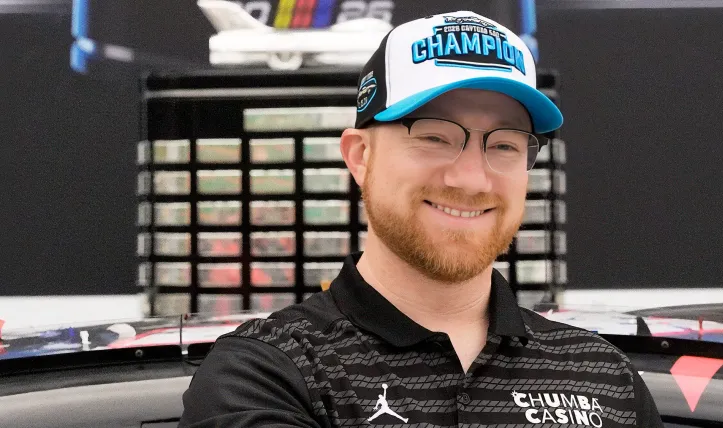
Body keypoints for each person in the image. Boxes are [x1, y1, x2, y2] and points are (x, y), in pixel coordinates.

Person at [179, 10, 664, 428]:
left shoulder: (606, 377)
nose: (471, 178)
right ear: (360, 156)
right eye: (434, 137)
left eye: (504, 145)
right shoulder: (267, 374)